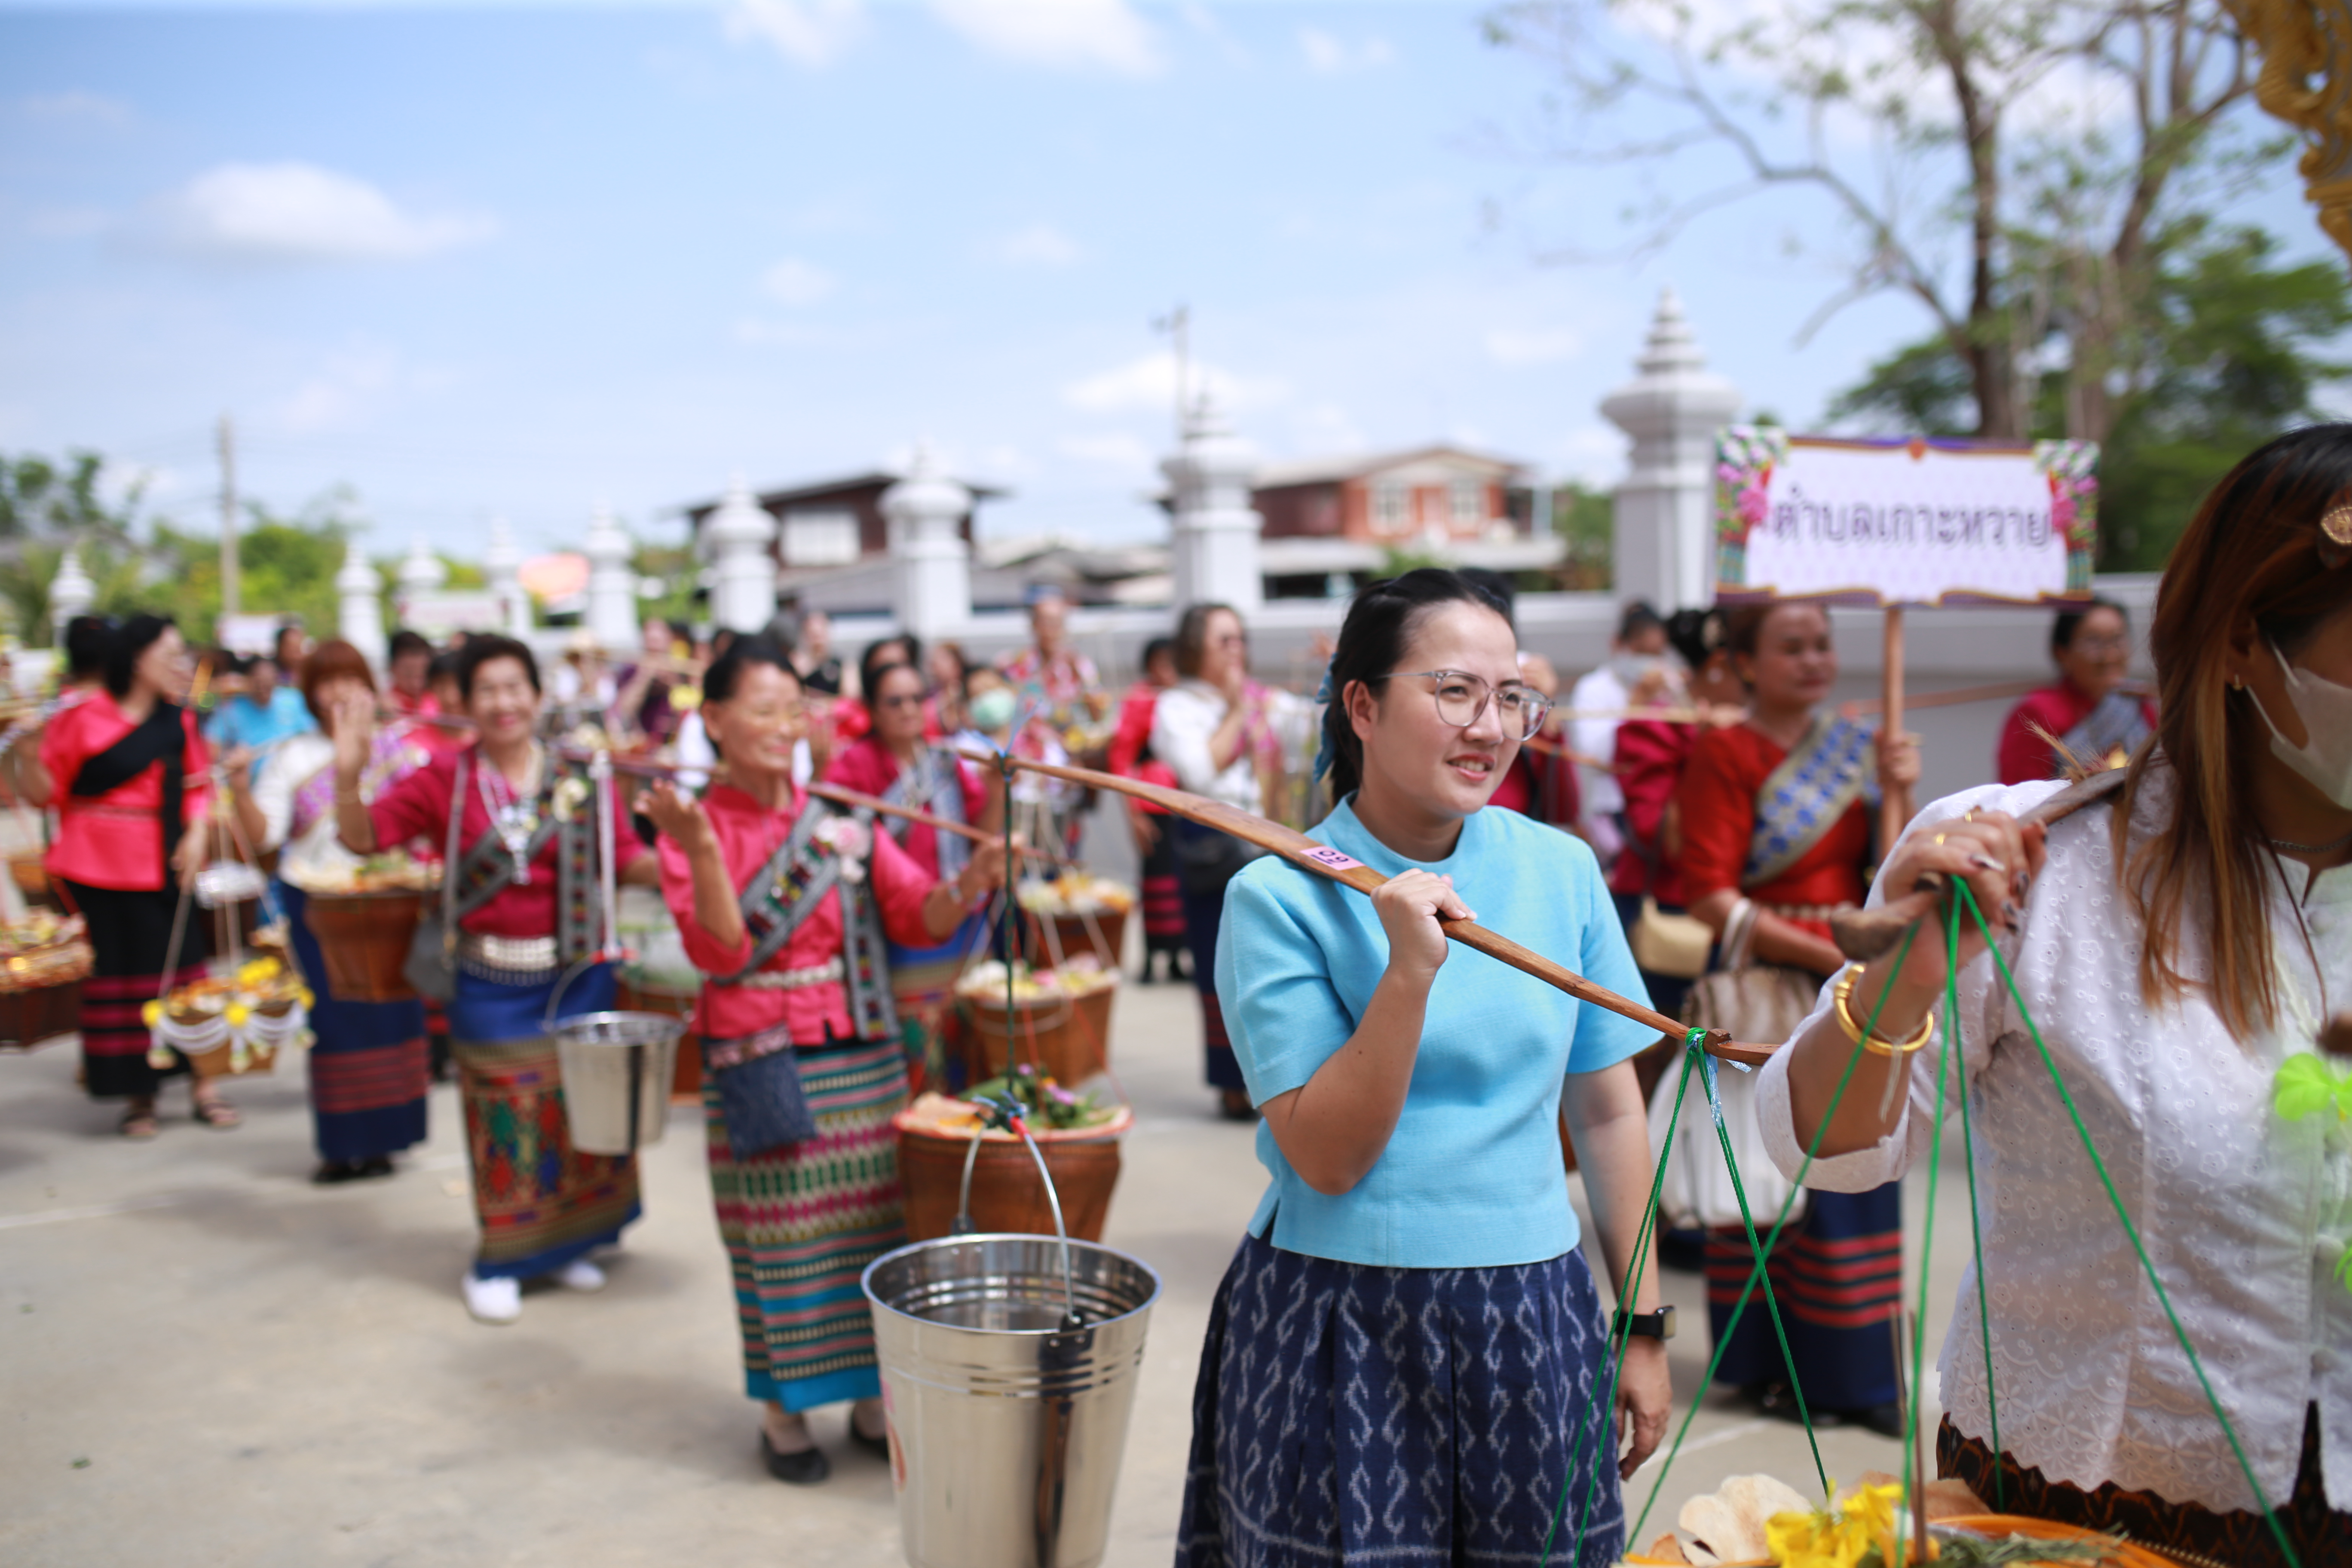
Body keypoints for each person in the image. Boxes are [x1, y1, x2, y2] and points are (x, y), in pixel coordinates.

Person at [1758, 427, 2351, 1566]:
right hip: (2083, 1516)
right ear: (2241, 639)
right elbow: (1822, 1146)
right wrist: (1900, 968)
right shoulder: (2038, 862)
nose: (1816, 662)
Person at [1175, 569, 1669, 1568]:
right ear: (1361, 706)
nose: (1488, 727)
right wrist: (1407, 971)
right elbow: (1327, 1158)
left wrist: (1644, 1322)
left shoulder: (1561, 870)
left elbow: (1611, 1114)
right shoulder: (1279, 896)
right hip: (1338, 1319)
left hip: (1533, 1312)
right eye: (1454, 692)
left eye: (1511, 697)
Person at [636, 642, 1010, 1485]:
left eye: (793, 709)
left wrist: (971, 882)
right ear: (714, 720)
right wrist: (700, 847)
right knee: (780, 1244)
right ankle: (784, 1410)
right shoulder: (693, 825)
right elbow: (723, 952)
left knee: (870, 1233)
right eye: (761, 709)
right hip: (761, 1060)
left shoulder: (841, 817)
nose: (783, 726)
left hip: (862, 1054)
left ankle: (871, 1398)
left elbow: (917, 914)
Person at [337, 634, 662, 1324]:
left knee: (577, 1116)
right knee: (505, 1121)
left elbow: (628, 857)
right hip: (488, 983)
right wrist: (347, 773)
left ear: (538, 696)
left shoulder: (582, 774)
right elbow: (362, 838)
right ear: (464, 702)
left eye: (515, 687)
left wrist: (694, 859)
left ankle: (569, 1244)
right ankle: (501, 1259)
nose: (503, 702)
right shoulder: (443, 779)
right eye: (486, 690)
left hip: (577, 976)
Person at [1667, 600, 1921, 1434]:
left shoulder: (1856, 747)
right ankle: (1769, 1365)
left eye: (1822, 644)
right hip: (1771, 976)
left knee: (1860, 1158)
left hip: (1852, 972)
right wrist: (1831, 951)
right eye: (1792, 647)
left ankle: (1859, 1376)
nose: (1814, 659)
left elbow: (1886, 874)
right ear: (1745, 662)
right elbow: (1708, 894)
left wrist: (1899, 792)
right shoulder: (1725, 751)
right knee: (1771, 1167)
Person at [236, 640, 437, 1183]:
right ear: (309, 694)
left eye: (350, 679)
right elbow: (265, 836)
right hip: (319, 903)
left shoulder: (398, 747)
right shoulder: (291, 755)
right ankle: (342, 1144)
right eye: (326, 683)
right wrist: (238, 788)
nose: (339, 693)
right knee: (334, 1019)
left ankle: (390, 1137)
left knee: (392, 1015)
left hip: (390, 898)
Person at [21, 615, 224, 1138]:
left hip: (166, 861)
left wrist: (197, 833)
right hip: (96, 865)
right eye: (170, 655)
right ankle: (140, 1097)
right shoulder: (80, 718)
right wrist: (24, 755)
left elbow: (199, 786)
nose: (180, 665)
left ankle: (206, 1086)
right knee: (121, 980)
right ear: (136, 659)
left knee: (186, 972)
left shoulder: (179, 720)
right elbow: (47, 793)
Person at [1152, 603, 1313, 1119]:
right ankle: (1231, 1082)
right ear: (1194, 647)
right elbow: (1200, 771)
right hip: (1214, 847)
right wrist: (1241, 710)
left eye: (1240, 638)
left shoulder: (1263, 699)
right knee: (1219, 964)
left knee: (1271, 963)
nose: (1236, 649)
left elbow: (1312, 725)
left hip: (1266, 843)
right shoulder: (1177, 706)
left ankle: (1279, 1075)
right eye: (1224, 640)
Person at [824, 653, 998, 1088]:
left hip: (960, 919)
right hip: (895, 930)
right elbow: (840, 837)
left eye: (917, 699)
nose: (908, 709)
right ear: (871, 709)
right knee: (917, 1052)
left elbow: (982, 837)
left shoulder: (945, 760)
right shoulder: (854, 765)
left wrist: (998, 787)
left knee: (969, 1048)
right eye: (894, 701)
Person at [1607, 606, 1746, 1023]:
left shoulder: (1760, 731)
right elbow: (1656, 834)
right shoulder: (1658, 724)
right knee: (1663, 1044)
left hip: (1743, 918)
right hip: (1669, 911)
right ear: (1721, 665)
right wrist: (1708, 752)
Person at [1994, 597, 2156, 783]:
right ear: (2062, 652)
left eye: (2117, 640)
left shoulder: (2138, 704)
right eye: (2094, 642)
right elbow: (2024, 792)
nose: (2110, 655)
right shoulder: (2037, 713)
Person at [1000, 588, 1107, 855]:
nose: (1052, 630)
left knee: (1064, 852)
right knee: (1024, 852)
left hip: (1066, 776)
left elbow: (1099, 717)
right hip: (1027, 775)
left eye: (1058, 623)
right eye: (1045, 622)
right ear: (1033, 625)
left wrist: (1085, 688)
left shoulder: (1079, 666)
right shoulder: (1015, 665)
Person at [1107, 636, 1188, 982]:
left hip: (1184, 805)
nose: (1167, 670)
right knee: (1156, 885)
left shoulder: (1185, 698)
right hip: (1152, 804)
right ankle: (1152, 959)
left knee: (1181, 884)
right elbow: (1121, 757)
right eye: (1160, 663)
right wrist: (1134, 816)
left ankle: (1179, 958)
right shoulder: (1140, 699)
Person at [1567, 601, 1667, 865]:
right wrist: (1636, 706)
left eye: (1656, 654)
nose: (1648, 662)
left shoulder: (1669, 688)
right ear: (1618, 645)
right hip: (1612, 810)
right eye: (1640, 653)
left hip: (1658, 808)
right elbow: (1594, 755)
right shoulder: (1593, 688)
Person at [204, 653, 316, 783]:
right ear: (248, 680)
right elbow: (213, 746)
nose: (263, 689)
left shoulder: (293, 700)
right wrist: (229, 759)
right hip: (250, 781)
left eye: (268, 684)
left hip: (292, 777)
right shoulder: (231, 708)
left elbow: (312, 735)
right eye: (258, 683)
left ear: (276, 680)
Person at [613, 616, 689, 745]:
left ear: (669, 640)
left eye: (658, 642)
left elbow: (688, 709)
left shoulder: (682, 669)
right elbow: (623, 710)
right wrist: (644, 676)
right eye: (650, 641)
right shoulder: (632, 670)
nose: (654, 648)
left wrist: (672, 682)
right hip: (641, 742)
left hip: (675, 742)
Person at [385, 630, 438, 720]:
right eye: (408, 675)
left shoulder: (440, 702)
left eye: (422, 676)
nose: (416, 684)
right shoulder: (386, 707)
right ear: (392, 668)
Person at [790, 608, 843, 696]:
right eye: (813, 634)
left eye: (821, 633)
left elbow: (850, 695)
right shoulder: (796, 662)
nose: (817, 640)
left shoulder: (840, 664)